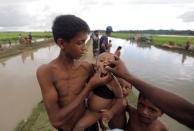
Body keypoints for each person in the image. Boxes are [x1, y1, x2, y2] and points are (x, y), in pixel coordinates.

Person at [36, 15, 111, 131]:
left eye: (85, 42)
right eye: (80, 43)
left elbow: (108, 85)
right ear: (62, 43)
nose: (84, 48)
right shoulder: (46, 72)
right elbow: (56, 120)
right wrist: (89, 87)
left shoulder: (86, 67)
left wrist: (103, 66)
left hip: (88, 126)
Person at [105, 59, 194, 129]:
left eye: (152, 110)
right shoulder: (133, 113)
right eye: (141, 105)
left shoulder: (161, 128)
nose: (144, 112)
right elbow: (121, 103)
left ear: (162, 113)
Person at [73, 52, 131, 131]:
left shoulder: (112, 81)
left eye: (109, 61)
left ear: (114, 67)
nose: (105, 62)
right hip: (87, 107)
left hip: (96, 112)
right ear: (95, 64)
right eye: (101, 60)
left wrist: (111, 112)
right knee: (100, 125)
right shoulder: (93, 75)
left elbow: (120, 98)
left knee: (79, 126)